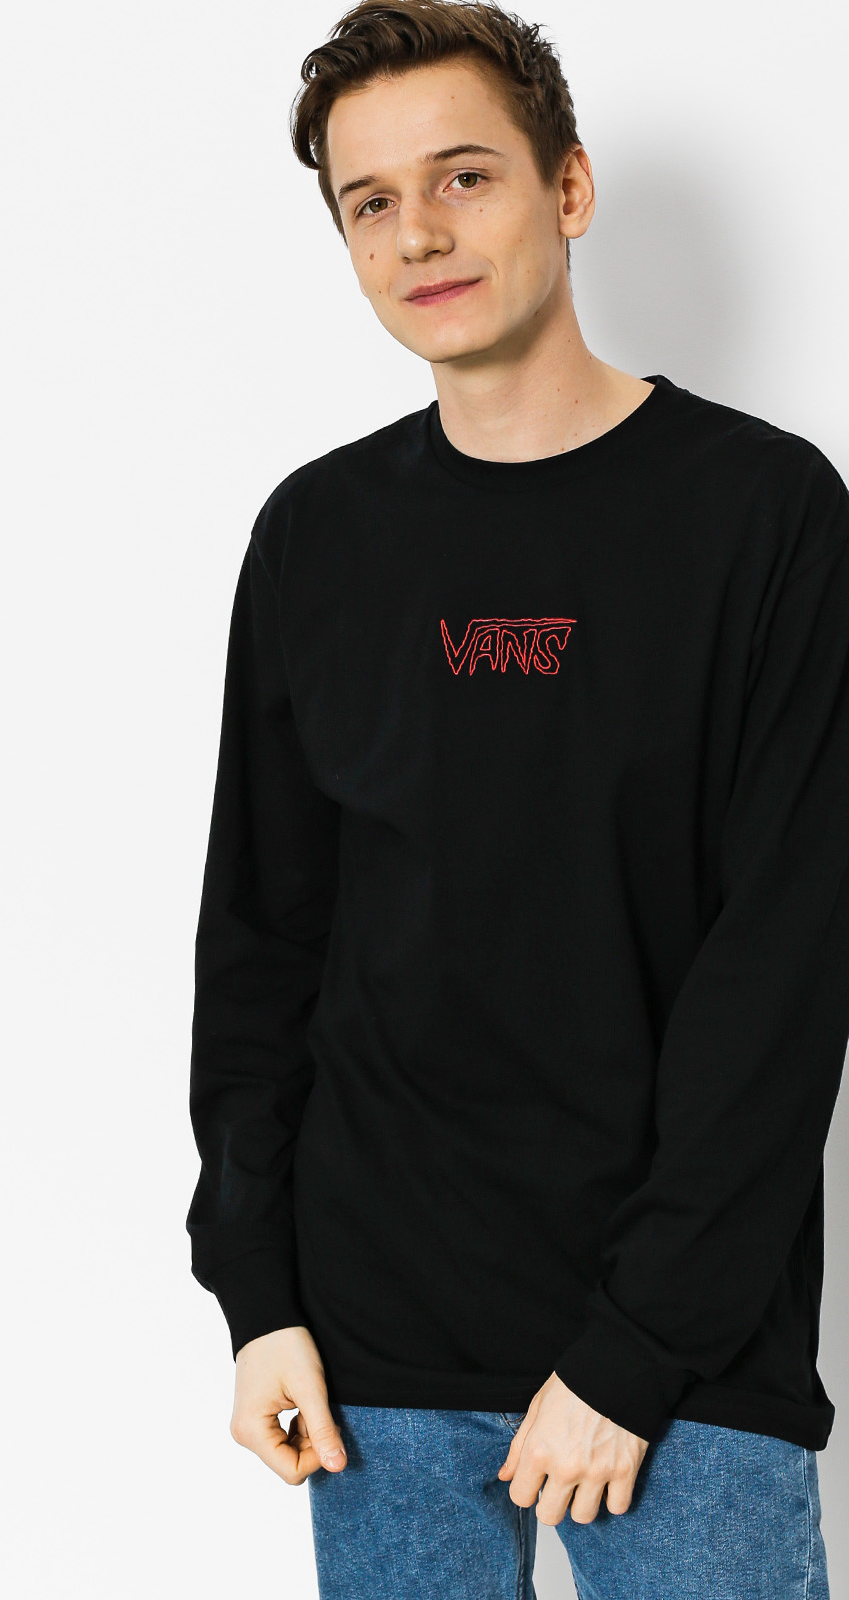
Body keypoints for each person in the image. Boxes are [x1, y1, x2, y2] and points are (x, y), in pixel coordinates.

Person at [184, 2, 846, 1594]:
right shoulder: (317, 538)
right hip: (375, 1355)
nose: (419, 232)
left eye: (464, 175)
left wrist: (637, 1348)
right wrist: (258, 1296)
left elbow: (789, 963)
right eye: (371, 201)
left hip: (684, 1363)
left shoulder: (766, 515)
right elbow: (261, 947)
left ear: (570, 187)